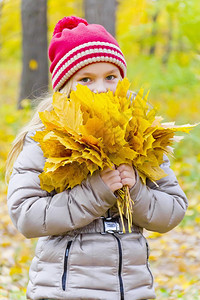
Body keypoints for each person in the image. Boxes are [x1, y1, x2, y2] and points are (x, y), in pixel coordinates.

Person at [6, 16, 188, 300]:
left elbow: (173, 209)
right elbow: (27, 215)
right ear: (65, 86)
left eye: (110, 77)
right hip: (65, 292)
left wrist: (137, 190)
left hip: (132, 291)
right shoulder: (46, 137)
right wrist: (97, 191)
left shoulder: (140, 136)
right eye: (86, 79)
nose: (101, 87)